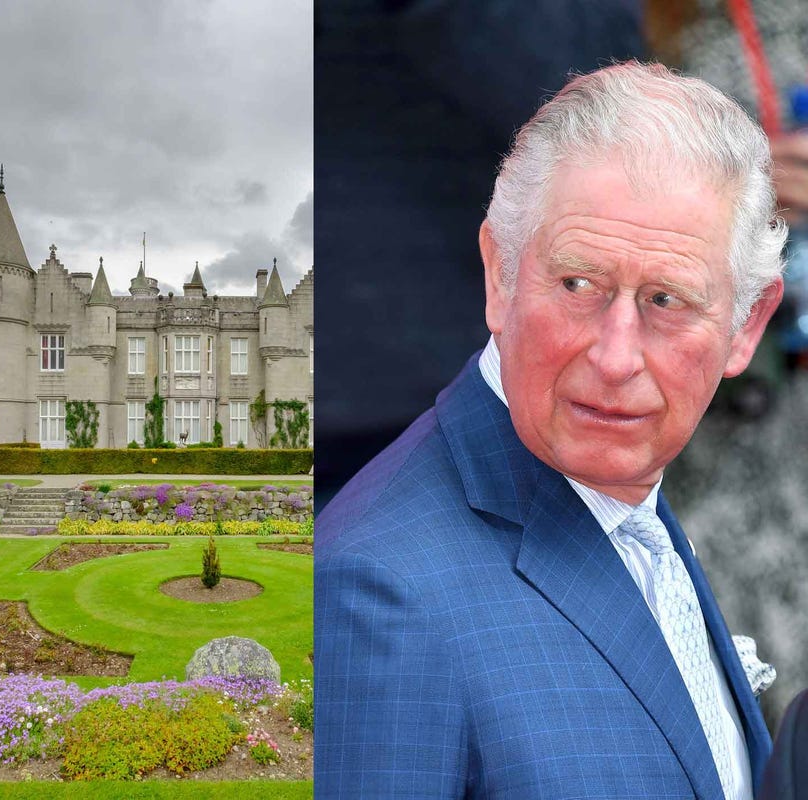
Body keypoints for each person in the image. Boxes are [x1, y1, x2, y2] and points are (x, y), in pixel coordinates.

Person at [316, 62, 785, 798]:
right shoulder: (377, 596)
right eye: (577, 286)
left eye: (666, 300)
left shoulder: (629, 503)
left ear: (745, 325)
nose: (616, 356)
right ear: (499, 276)